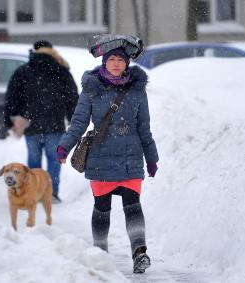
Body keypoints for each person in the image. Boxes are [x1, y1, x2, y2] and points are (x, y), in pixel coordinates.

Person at [56, 35, 159, 273]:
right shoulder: (92, 90)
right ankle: (100, 252)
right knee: (102, 207)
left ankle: (139, 252)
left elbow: (144, 127)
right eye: (111, 59)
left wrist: (151, 158)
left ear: (126, 64)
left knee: (133, 205)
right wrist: (64, 146)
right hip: (101, 157)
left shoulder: (136, 91)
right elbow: (79, 123)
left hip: (130, 157)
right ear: (104, 61)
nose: (115, 63)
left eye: (120, 60)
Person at [4, 40, 78, 203]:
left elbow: (11, 97)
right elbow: (72, 97)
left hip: (31, 125)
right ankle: (51, 193)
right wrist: (73, 118)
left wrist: (9, 120)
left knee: (34, 162)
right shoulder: (62, 70)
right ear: (51, 51)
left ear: (34, 51)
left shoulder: (23, 71)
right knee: (54, 160)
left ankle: (34, 192)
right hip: (55, 125)